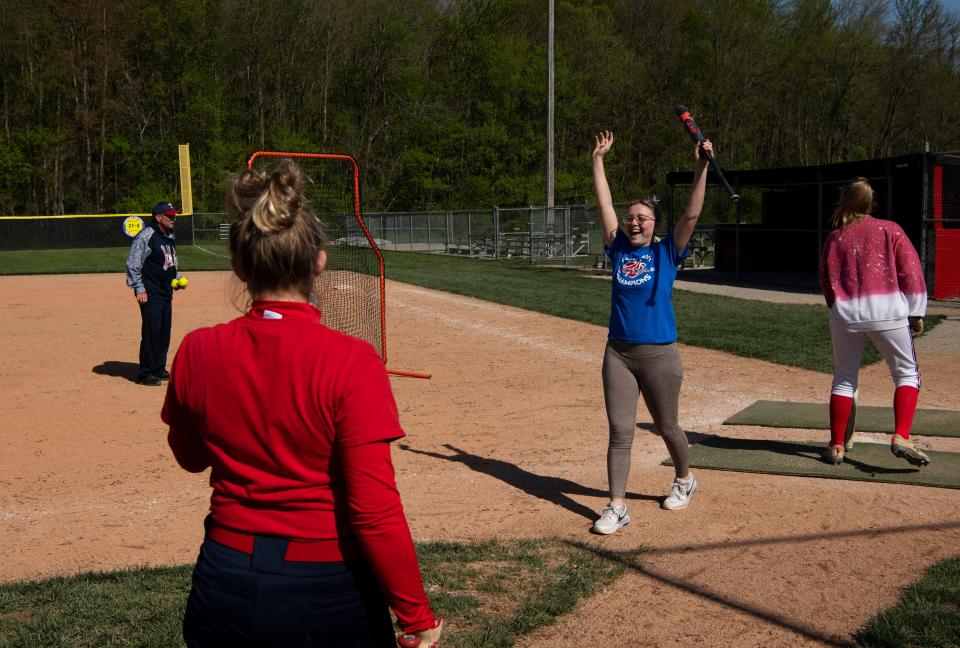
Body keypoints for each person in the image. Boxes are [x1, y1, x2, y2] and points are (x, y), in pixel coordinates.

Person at [162, 160, 442, 647]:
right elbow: (373, 510)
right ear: (319, 262)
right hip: (326, 589)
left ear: (238, 264)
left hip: (224, 579)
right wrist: (414, 614)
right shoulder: (353, 360)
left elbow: (190, 458)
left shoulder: (197, 349)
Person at [589, 130, 711, 535]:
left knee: (668, 427)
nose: (634, 221)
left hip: (660, 354)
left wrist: (701, 166)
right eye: (631, 217)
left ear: (654, 224)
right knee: (620, 431)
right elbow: (604, 202)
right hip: (619, 354)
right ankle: (617, 506)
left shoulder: (666, 252)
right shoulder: (618, 247)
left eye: (642, 217)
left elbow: (691, 215)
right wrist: (598, 160)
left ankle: (684, 478)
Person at [819, 177, 929, 467]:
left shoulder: (835, 237)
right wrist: (916, 311)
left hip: (845, 314)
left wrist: (837, 307)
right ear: (870, 203)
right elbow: (912, 272)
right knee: (906, 374)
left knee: (844, 379)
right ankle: (901, 436)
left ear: (845, 201)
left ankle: (836, 445)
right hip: (888, 312)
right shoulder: (890, 230)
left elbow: (826, 279)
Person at [126, 200, 180, 386]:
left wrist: (177, 276)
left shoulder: (168, 235)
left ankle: (158, 367)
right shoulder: (146, 236)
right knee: (151, 331)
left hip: (166, 291)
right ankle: (145, 372)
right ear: (158, 217)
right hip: (150, 292)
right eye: (170, 215)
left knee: (164, 331)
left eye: (174, 215)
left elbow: (169, 260)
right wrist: (139, 288)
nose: (174, 218)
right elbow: (133, 264)